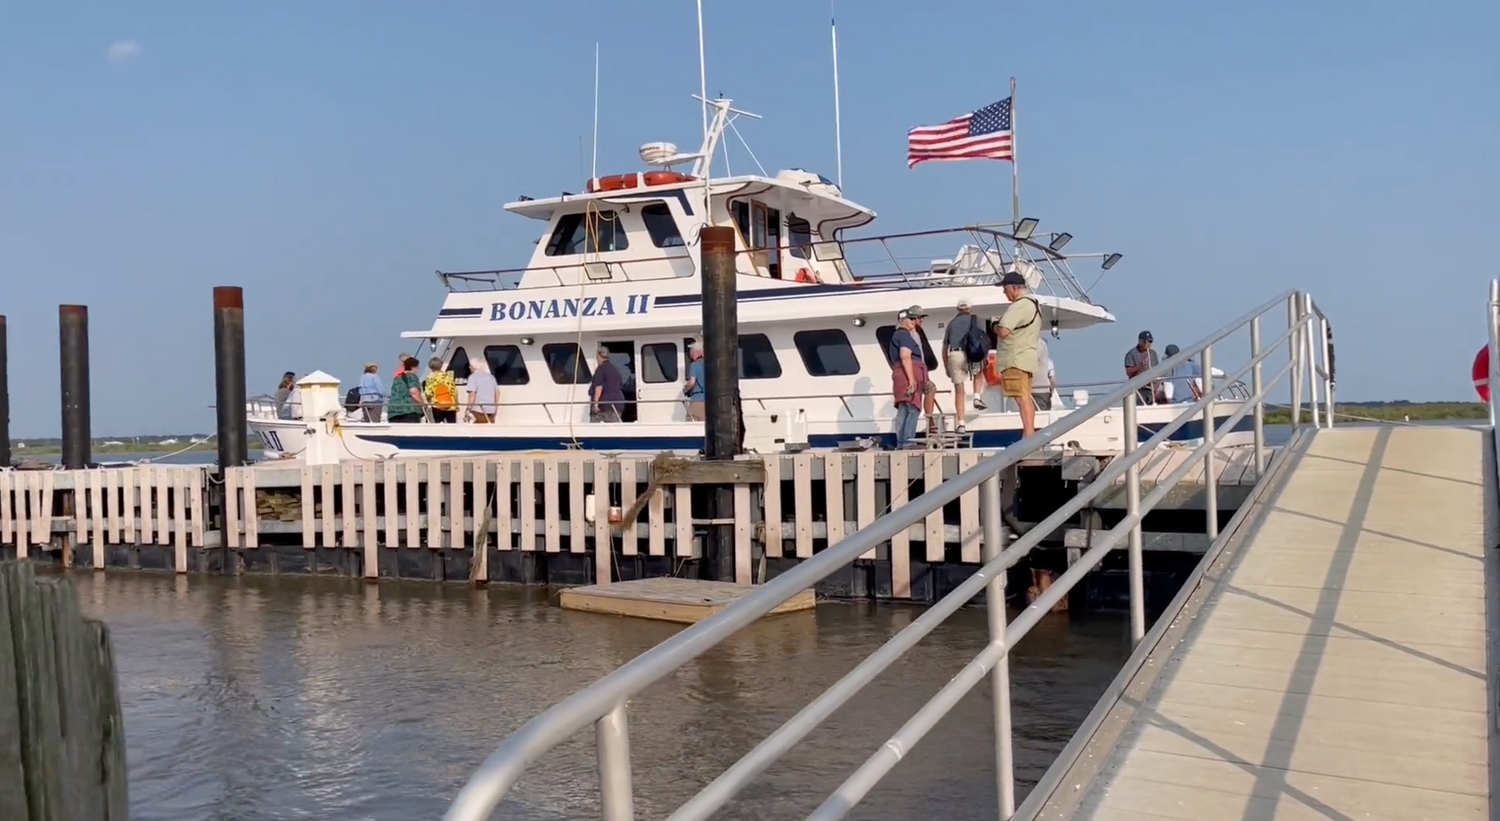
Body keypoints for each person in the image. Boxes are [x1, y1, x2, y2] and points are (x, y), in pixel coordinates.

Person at [995, 272, 1042, 438]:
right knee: (1025, 397)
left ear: (1014, 288)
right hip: (1026, 357)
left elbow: (1004, 331)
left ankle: (1028, 434)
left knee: (1021, 398)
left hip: (1015, 358)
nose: (1004, 292)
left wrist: (995, 325)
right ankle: (1029, 432)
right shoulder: (1033, 304)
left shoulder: (1019, 306)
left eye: (1005, 288)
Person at [941, 300, 988, 432]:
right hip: (970, 352)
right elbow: (981, 340)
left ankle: (961, 424)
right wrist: (983, 357)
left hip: (954, 355)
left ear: (957, 309)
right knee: (978, 372)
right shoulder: (975, 320)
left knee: (959, 391)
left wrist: (946, 366)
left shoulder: (951, 324)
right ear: (970, 308)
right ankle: (977, 398)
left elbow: (945, 347)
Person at [889, 307, 929, 448]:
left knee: (904, 409)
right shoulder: (904, 335)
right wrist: (912, 380)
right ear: (902, 320)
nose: (914, 321)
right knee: (913, 408)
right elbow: (905, 357)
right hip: (907, 374)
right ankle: (907, 441)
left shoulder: (900, 335)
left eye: (915, 318)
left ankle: (901, 442)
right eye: (911, 318)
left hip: (901, 374)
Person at [590, 348, 625, 423]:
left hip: (605, 405)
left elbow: (599, 387)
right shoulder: (615, 369)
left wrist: (595, 403)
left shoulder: (601, 369)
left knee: (595, 428)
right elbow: (620, 386)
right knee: (614, 428)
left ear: (599, 356)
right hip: (618, 404)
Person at [1124, 331, 1159, 404]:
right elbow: (1128, 372)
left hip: (1151, 388)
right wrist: (1139, 366)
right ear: (1140, 341)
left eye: (1150, 341)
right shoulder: (1132, 354)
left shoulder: (1153, 353)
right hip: (1138, 389)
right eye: (1147, 341)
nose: (1149, 344)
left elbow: (1157, 369)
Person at [387, 357, 425, 424]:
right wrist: (423, 403)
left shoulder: (397, 378)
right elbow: (414, 392)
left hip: (393, 412)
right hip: (409, 411)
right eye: (417, 367)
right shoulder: (412, 376)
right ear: (413, 367)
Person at [423, 356, 459, 423]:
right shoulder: (448, 376)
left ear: (430, 366)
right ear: (441, 365)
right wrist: (456, 404)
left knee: (439, 425)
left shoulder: (430, 378)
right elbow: (454, 391)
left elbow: (428, 393)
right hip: (450, 405)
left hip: (437, 405)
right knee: (452, 426)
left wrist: (427, 400)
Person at [465, 357, 499, 423]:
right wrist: (495, 408)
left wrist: (468, 409)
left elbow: (472, 395)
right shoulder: (491, 377)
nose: (469, 367)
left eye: (470, 366)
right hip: (491, 412)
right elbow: (497, 393)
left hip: (478, 411)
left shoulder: (473, 377)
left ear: (474, 367)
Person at [1034, 337, 1058, 411]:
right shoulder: (1049, 362)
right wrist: (1052, 390)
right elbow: (1052, 378)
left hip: (1030, 389)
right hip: (1043, 390)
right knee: (1043, 412)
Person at [684, 345, 706, 421]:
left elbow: (692, 382)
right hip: (708, 401)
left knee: (690, 421)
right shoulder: (707, 365)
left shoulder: (694, 365)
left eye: (691, 351)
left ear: (697, 352)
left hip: (697, 400)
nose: (690, 353)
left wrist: (686, 388)